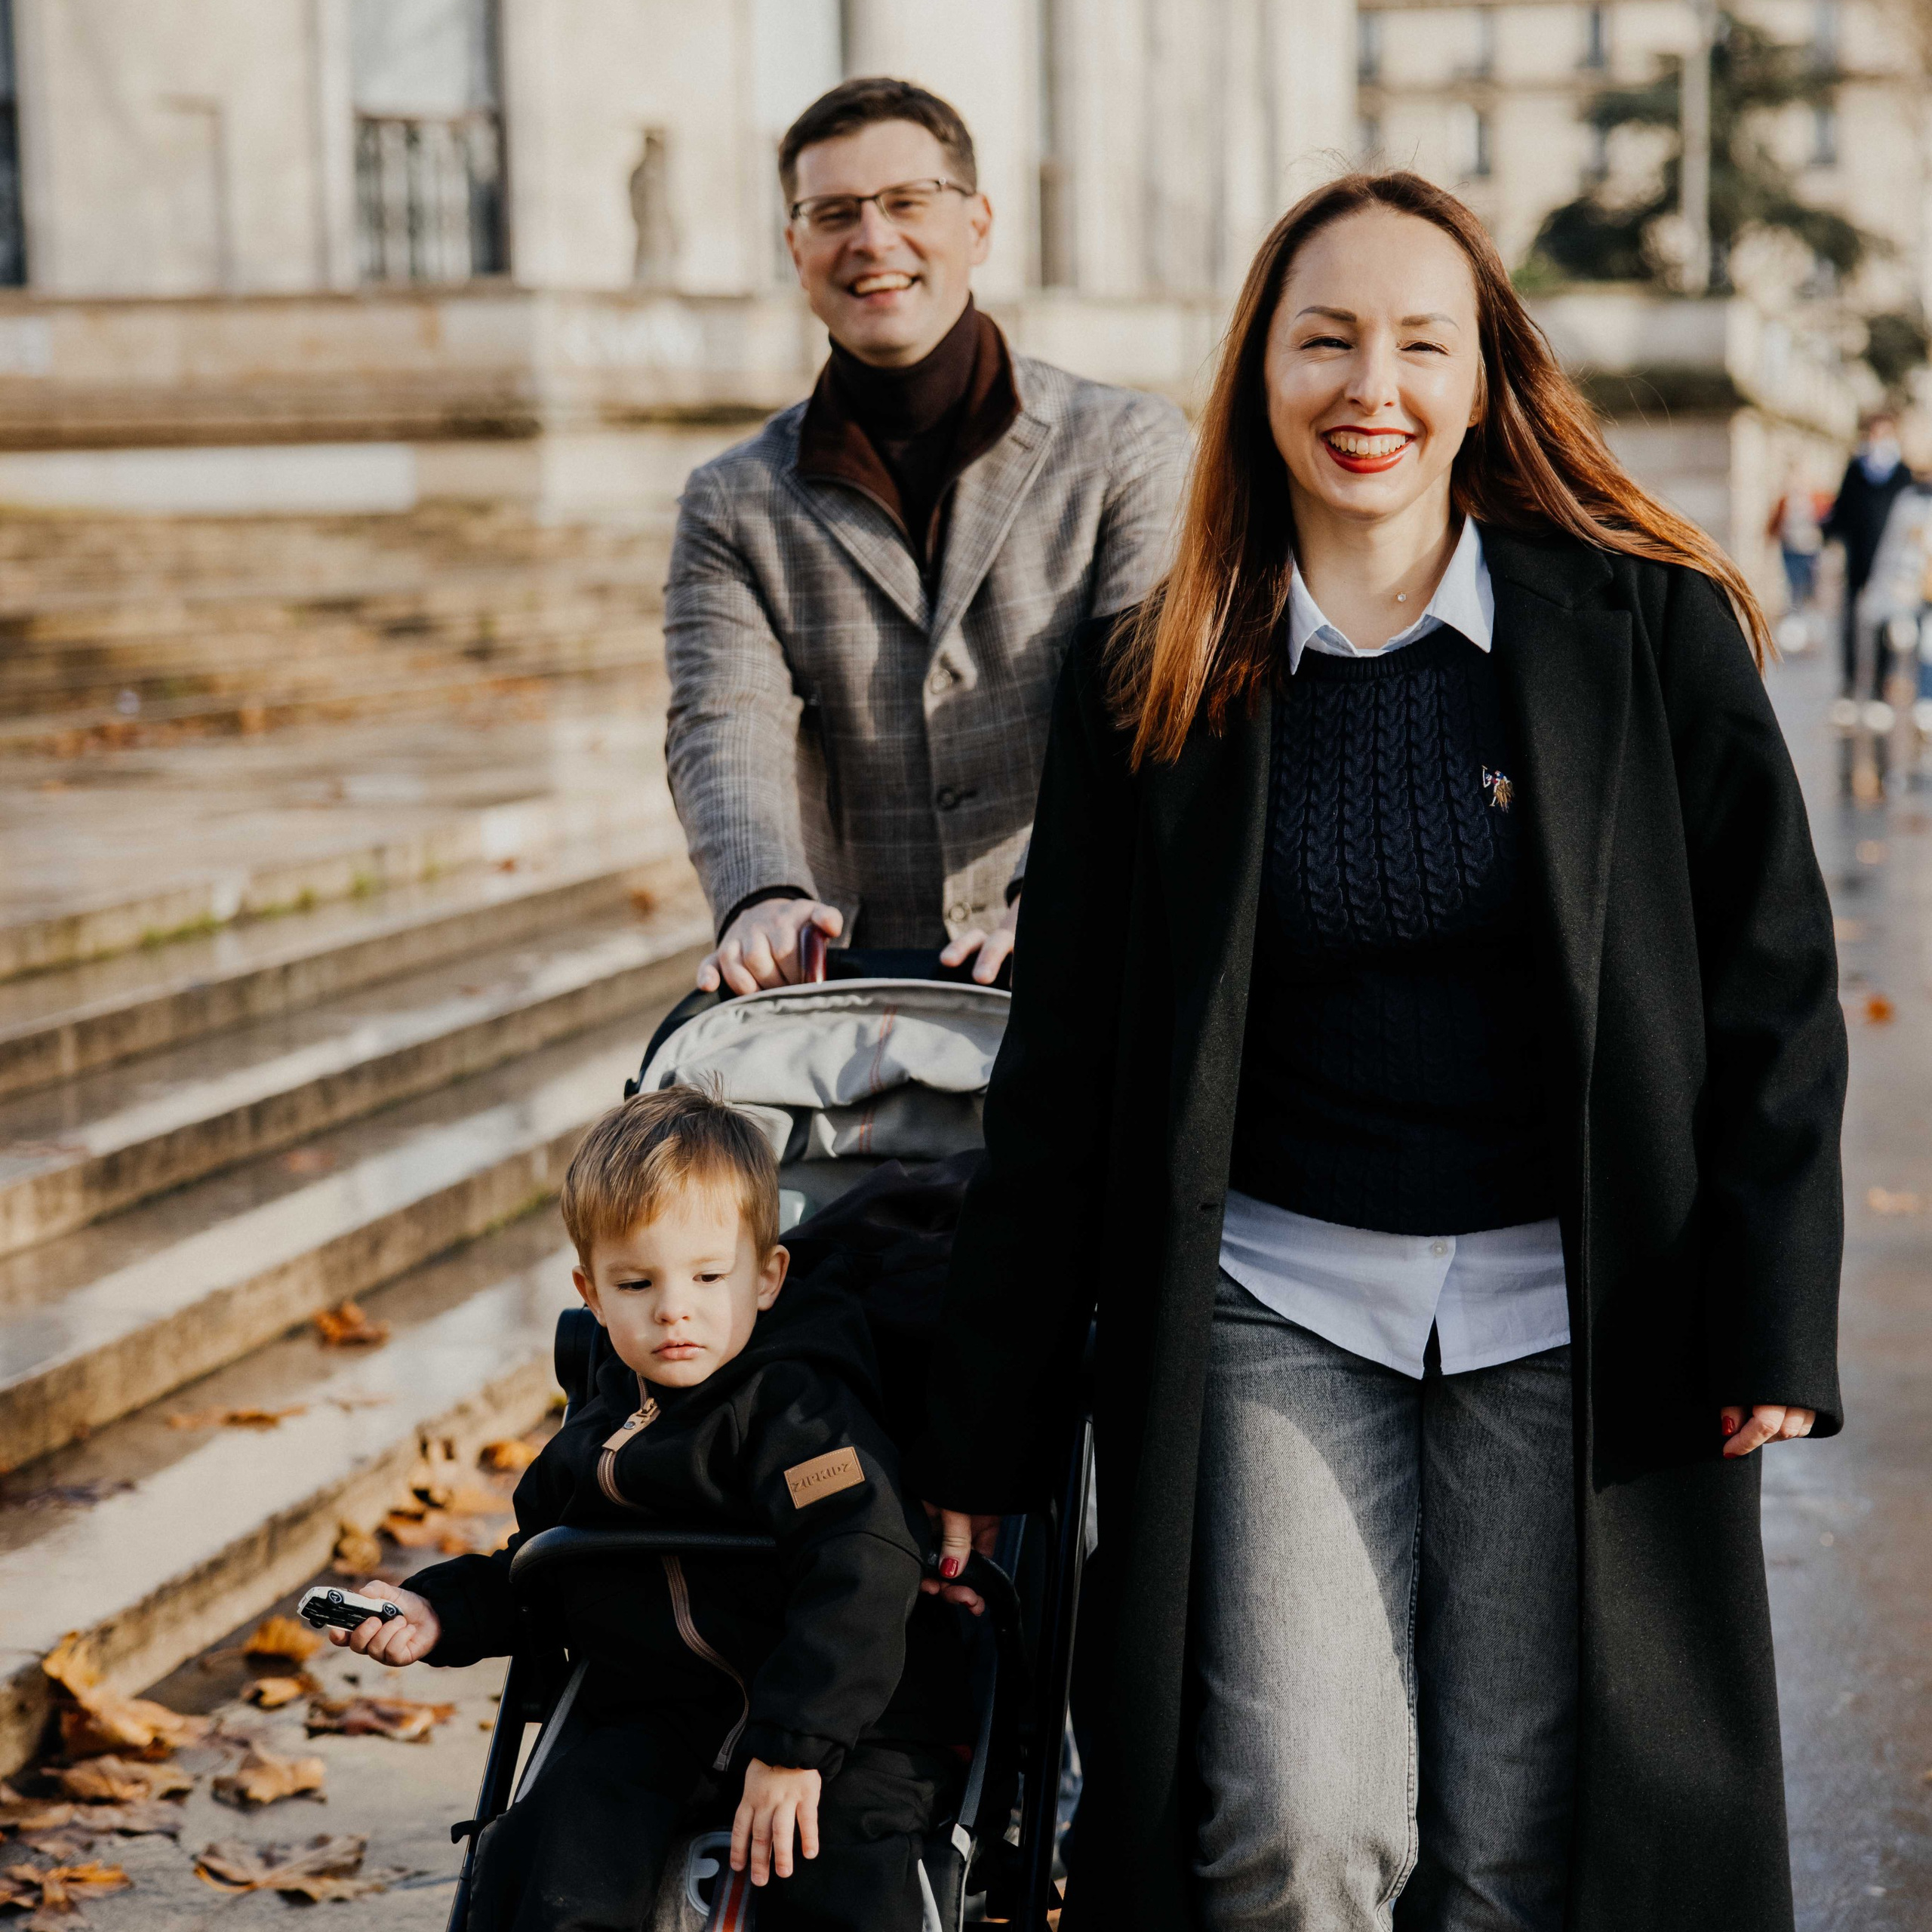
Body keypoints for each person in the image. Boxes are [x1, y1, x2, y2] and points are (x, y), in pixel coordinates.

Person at [913, 170, 1846, 1931]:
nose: (1371, 387)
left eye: (1420, 343)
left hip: (1570, 1312)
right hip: (1277, 1300)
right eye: (1323, 338)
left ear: (1484, 375)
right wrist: (983, 1424)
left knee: (1509, 1848)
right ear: (1256, 367)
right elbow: (1065, 1067)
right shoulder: (1148, 675)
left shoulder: (1640, 629)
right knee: (1300, 1827)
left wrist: (1766, 1299)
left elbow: (1769, 987)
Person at [329, 1085, 968, 1932]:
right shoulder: (599, 1430)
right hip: (659, 1706)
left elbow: (863, 1560)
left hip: (846, 1718)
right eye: (637, 1282)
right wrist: (435, 1610)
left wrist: (794, 1748)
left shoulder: (803, 1409)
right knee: (552, 1844)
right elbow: (544, 1569)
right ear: (589, 1294)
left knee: (846, 1864)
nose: (675, 1309)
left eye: (709, 1277)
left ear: (768, 1276)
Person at [665, 77, 1188, 995]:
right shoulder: (730, 500)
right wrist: (763, 895)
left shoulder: (1129, 447)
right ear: (795, 247)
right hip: (856, 1007)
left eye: (908, 202)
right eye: (833, 213)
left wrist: (1062, 888)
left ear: (979, 224)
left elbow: (1143, 698)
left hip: (1097, 973)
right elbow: (724, 719)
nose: (872, 239)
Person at [1823, 410, 1911, 701]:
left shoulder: (1902, 474)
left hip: (1890, 564)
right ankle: (1849, 683)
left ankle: (1880, 685)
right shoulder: (1855, 470)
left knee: (1886, 626)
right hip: (1858, 560)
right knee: (1850, 624)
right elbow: (1841, 512)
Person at [1766, 462, 1824, 613]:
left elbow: (1824, 520)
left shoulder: (1814, 498)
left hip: (1809, 549)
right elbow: (1776, 521)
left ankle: (1808, 612)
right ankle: (1797, 614)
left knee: (1810, 584)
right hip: (1791, 549)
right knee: (1794, 584)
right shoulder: (1786, 500)